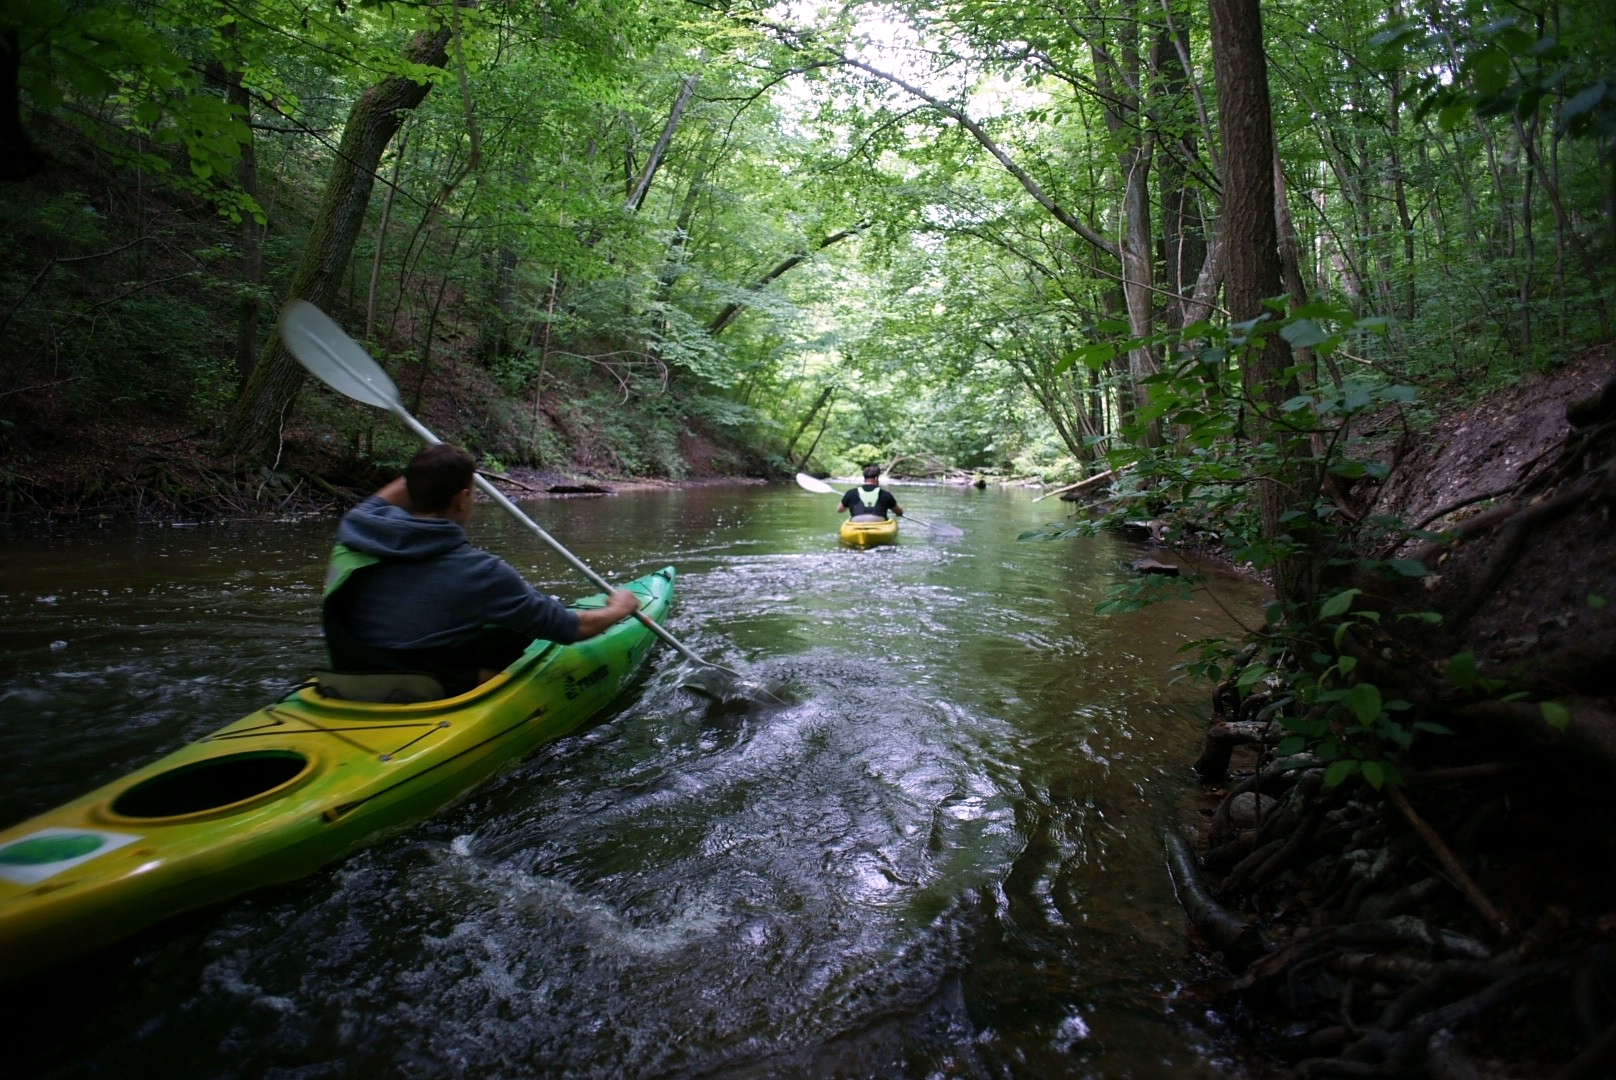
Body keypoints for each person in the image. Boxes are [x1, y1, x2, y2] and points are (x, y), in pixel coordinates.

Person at [322, 443, 640, 696]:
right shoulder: (480, 572)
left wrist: (436, 466)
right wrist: (619, 609)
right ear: (463, 499)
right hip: (424, 687)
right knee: (514, 639)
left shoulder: (358, 527)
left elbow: (406, 486)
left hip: (350, 676)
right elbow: (572, 628)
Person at [838, 464, 904, 521]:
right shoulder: (886, 494)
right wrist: (900, 509)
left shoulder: (850, 493)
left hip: (856, 523)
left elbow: (840, 510)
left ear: (864, 478)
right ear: (876, 478)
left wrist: (849, 502)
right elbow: (899, 512)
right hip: (878, 524)